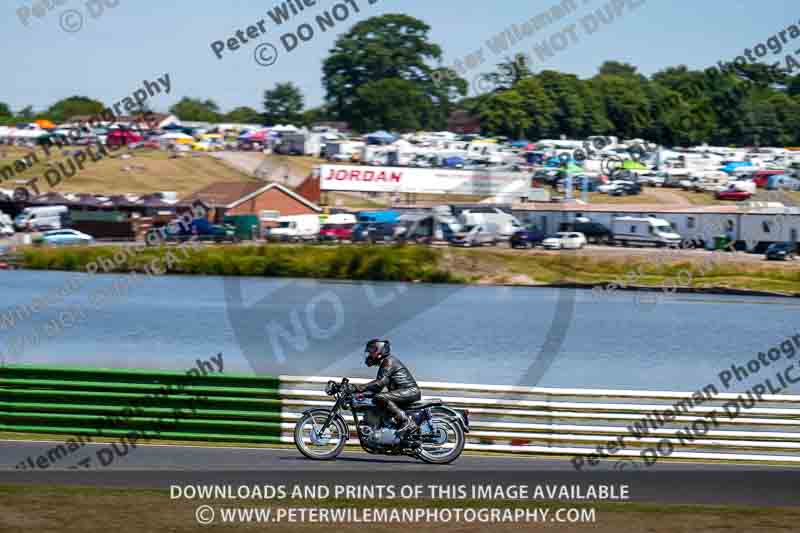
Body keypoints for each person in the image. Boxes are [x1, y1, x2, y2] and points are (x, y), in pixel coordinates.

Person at [353, 339, 421, 437]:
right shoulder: (384, 364)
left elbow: (379, 383)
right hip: (404, 392)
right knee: (376, 398)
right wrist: (360, 394)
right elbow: (377, 388)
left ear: (380, 350)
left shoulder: (389, 361)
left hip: (409, 391)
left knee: (380, 397)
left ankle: (406, 421)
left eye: (372, 351)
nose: (369, 355)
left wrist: (358, 388)